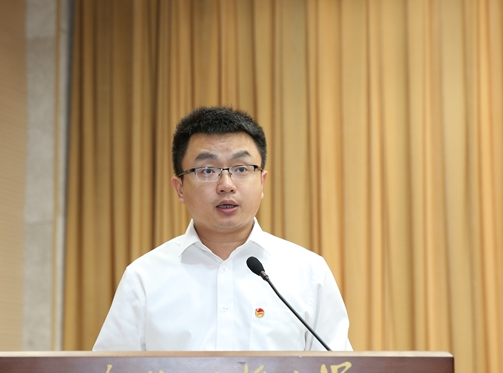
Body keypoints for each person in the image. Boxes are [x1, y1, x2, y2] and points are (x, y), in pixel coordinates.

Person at [93, 106, 352, 351]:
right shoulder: (144, 278)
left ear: (262, 182)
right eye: (207, 170)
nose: (226, 184)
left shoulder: (308, 273)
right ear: (180, 188)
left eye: (241, 169)